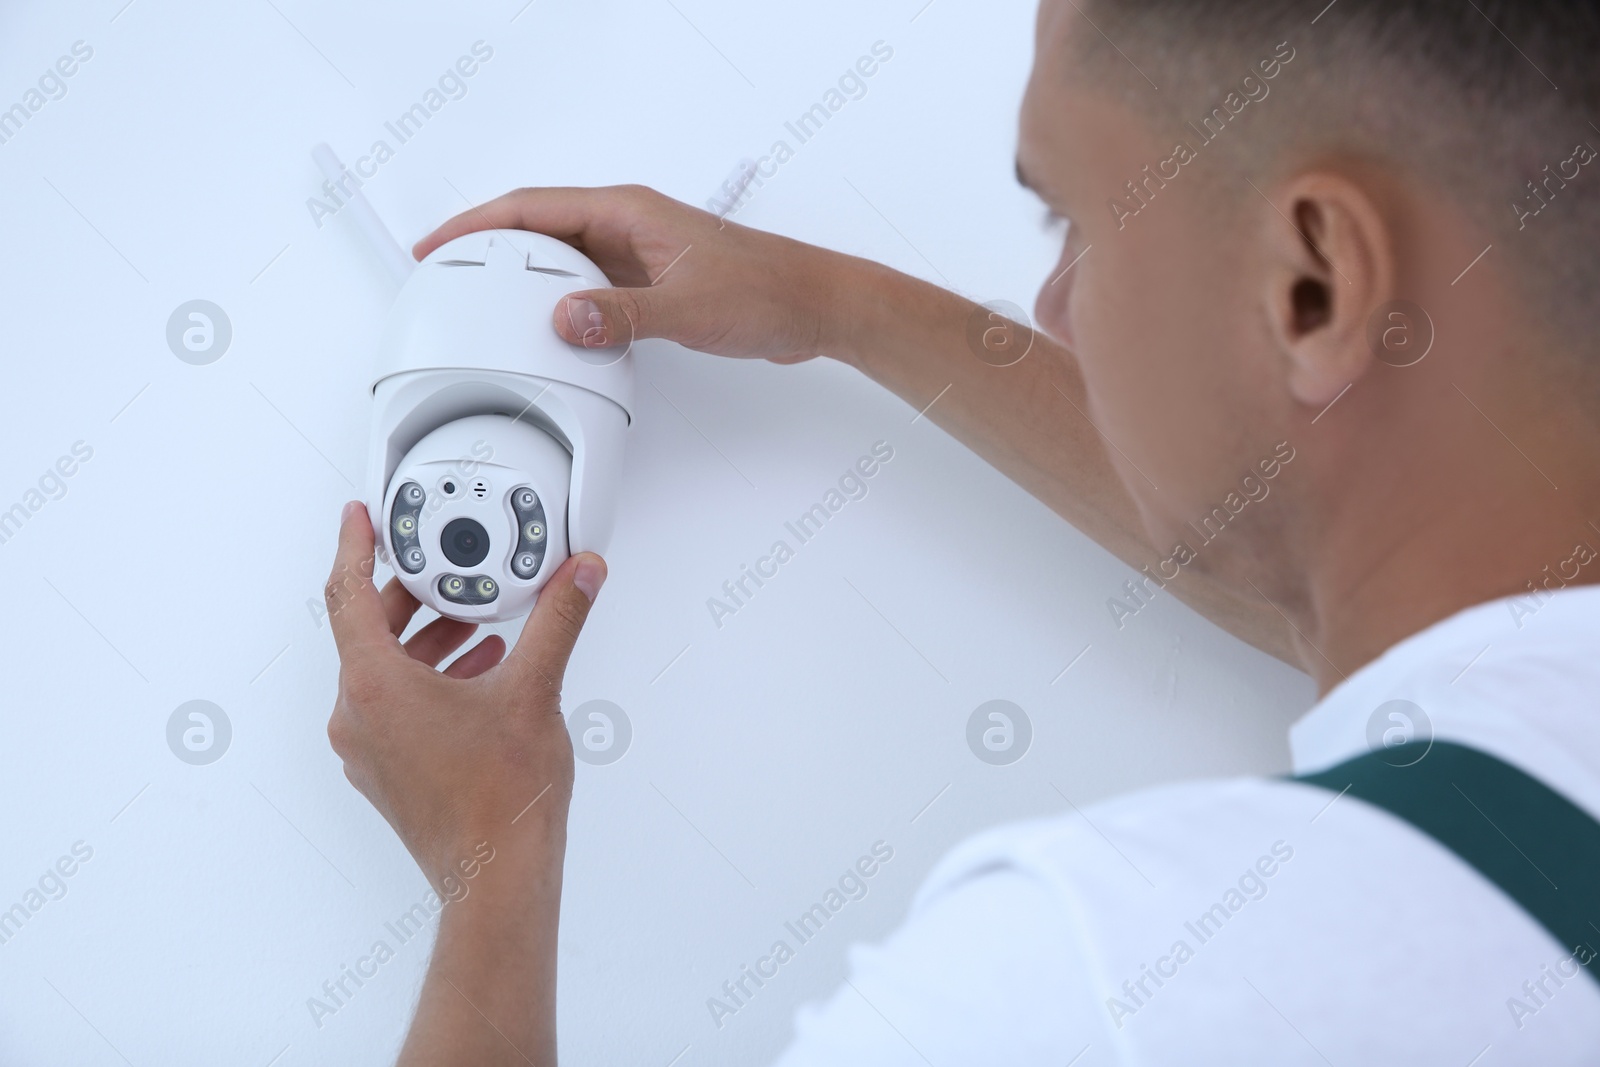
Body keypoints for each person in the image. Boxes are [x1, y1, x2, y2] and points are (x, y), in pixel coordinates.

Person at [321, 0, 1600, 1062]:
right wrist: (830, 303)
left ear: (1313, 281)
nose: (1049, 305)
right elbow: (1335, 566)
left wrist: (492, 867)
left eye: (1076, 225)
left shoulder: (1100, 984)